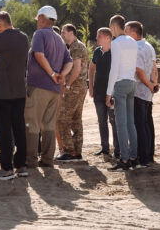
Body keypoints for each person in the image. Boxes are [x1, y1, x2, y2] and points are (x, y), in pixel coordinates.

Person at [24, 5, 72, 170]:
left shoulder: (39, 34)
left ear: (42, 18)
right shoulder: (59, 39)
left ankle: (30, 160)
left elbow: (39, 55)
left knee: (32, 123)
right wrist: (61, 75)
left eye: (38, 19)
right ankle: (47, 160)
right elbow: (69, 62)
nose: (37, 22)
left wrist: (52, 74)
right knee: (49, 125)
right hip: (55, 89)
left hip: (39, 86)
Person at [0, 10, 29, 180]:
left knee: (3, 130)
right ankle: (21, 166)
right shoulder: (24, 38)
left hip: (2, 91)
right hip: (19, 90)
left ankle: (6, 168)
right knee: (19, 128)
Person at [105, 15, 138, 171]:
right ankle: (133, 157)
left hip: (120, 84)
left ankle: (124, 160)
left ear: (113, 26)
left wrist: (108, 92)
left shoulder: (116, 43)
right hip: (132, 82)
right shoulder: (133, 41)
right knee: (131, 122)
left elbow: (114, 69)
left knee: (121, 124)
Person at [56, 23, 88, 162]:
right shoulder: (77, 46)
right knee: (76, 120)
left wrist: (68, 85)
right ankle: (76, 152)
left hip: (75, 88)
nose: (62, 35)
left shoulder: (75, 47)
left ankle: (69, 152)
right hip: (80, 87)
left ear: (71, 32)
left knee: (62, 119)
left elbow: (76, 69)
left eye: (64, 32)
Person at [128, 21, 158, 167]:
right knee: (147, 124)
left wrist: (149, 84)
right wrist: (154, 84)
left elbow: (139, 71)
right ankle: (149, 155)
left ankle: (143, 157)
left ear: (133, 32)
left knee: (140, 125)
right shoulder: (149, 46)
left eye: (126, 31)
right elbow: (154, 68)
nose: (125, 34)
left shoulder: (137, 48)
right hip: (148, 92)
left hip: (139, 91)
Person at [89, 27, 118, 157]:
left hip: (112, 93)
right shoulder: (97, 52)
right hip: (98, 93)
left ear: (108, 38)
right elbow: (91, 68)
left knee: (114, 121)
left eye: (99, 36)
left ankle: (118, 150)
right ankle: (105, 148)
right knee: (102, 121)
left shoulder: (116, 52)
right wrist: (91, 87)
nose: (96, 38)